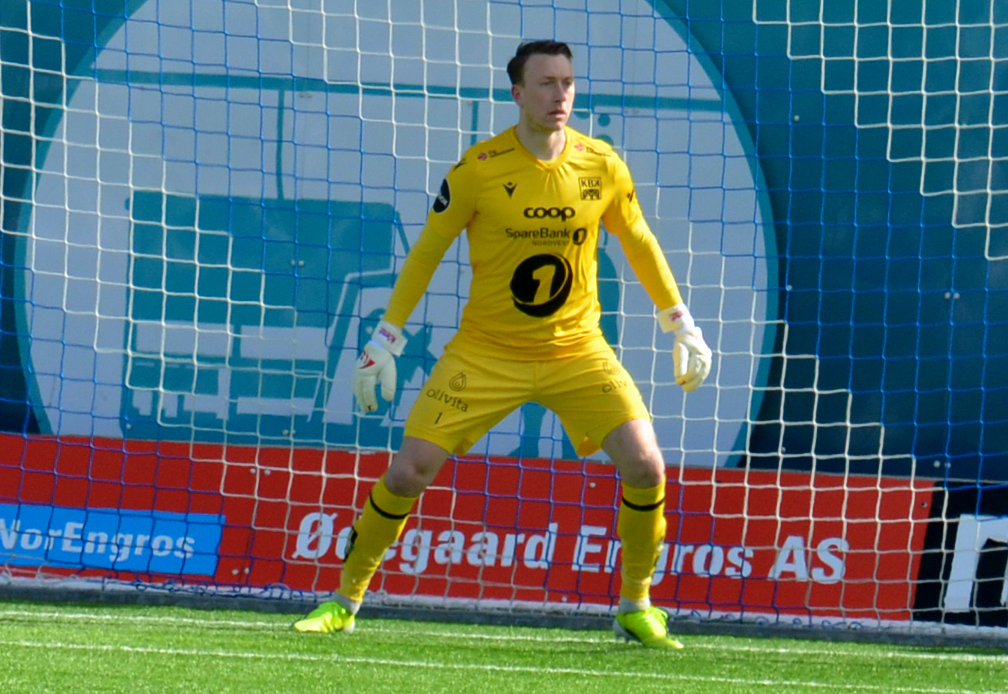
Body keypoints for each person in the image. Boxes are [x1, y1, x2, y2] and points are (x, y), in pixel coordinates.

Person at [293, 39, 711, 649]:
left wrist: (681, 323)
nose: (560, 95)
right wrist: (385, 338)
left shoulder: (602, 165)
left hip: (577, 351)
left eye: (567, 82)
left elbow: (639, 239)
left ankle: (635, 604)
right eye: (546, 83)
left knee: (647, 465)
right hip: (486, 354)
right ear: (517, 93)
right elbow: (427, 253)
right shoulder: (478, 170)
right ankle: (344, 600)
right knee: (409, 472)